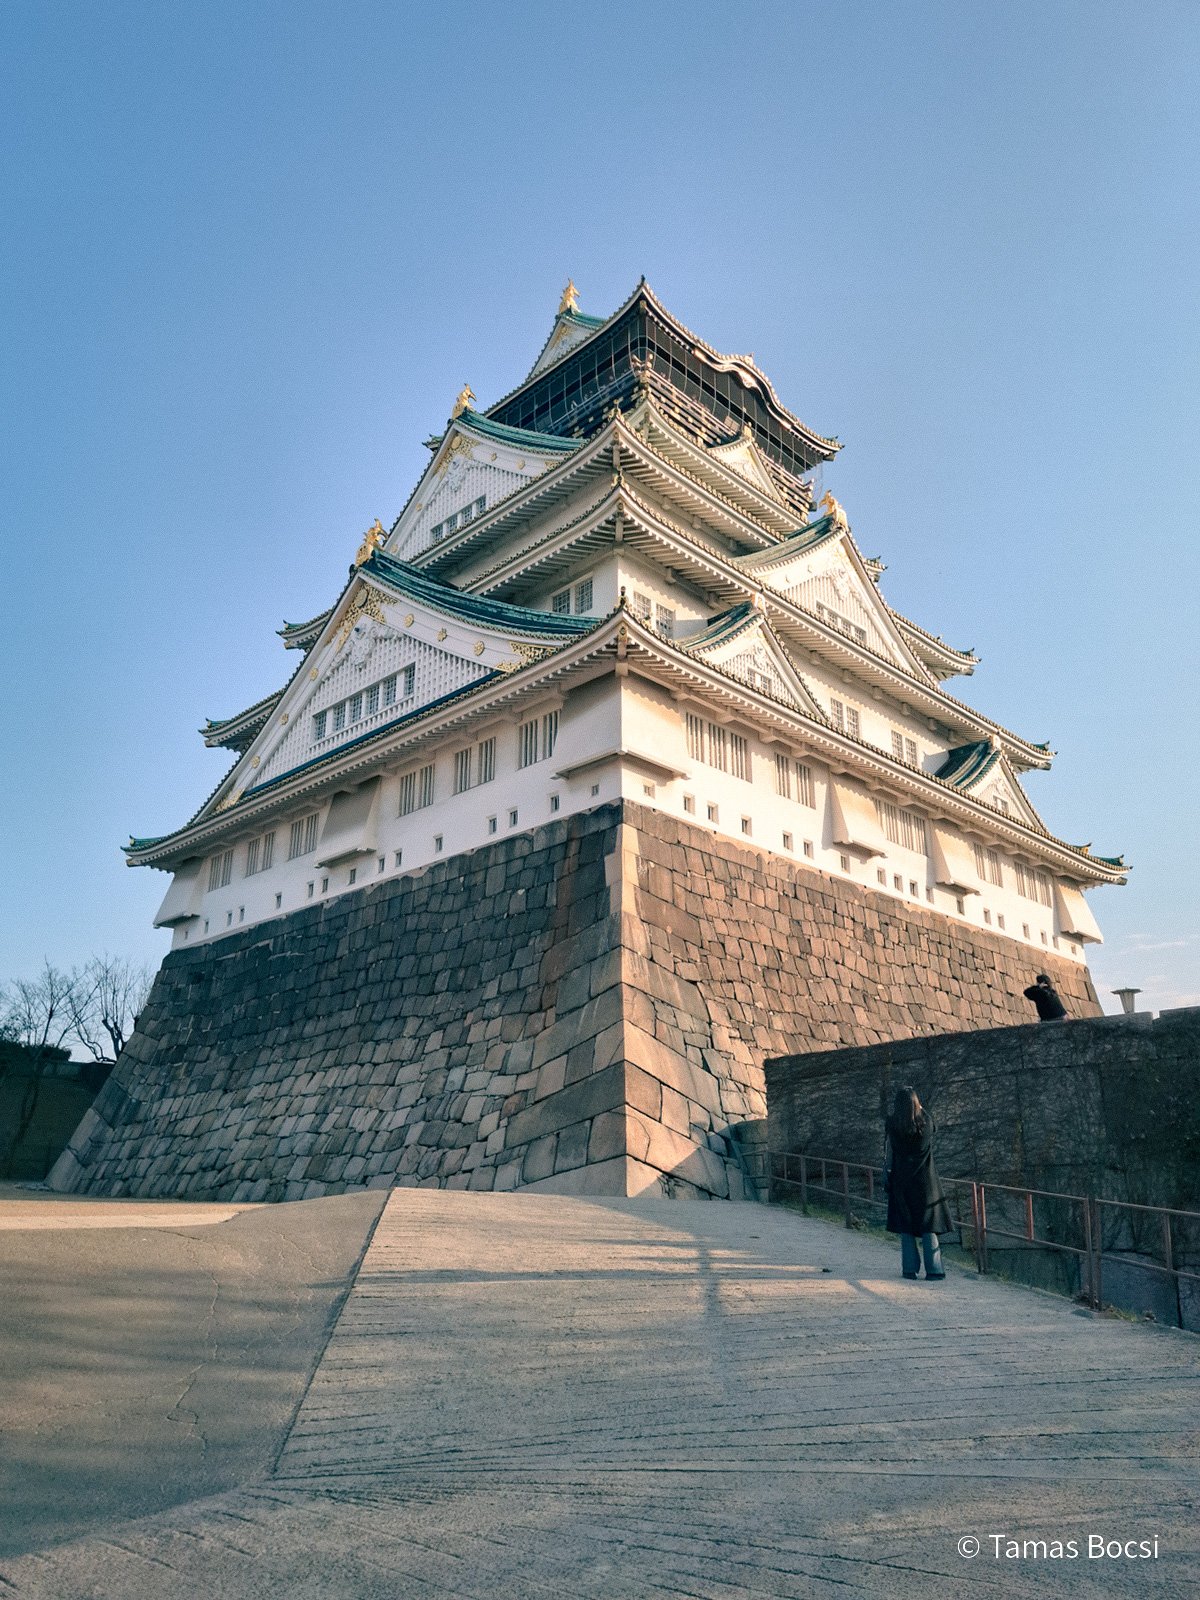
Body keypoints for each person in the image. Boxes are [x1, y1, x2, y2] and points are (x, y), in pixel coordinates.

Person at [884, 1085, 954, 1280]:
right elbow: (933, 1126)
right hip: (925, 1182)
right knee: (928, 1225)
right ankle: (934, 1270)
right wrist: (920, 1108)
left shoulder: (893, 1126)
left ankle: (909, 1269)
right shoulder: (926, 1125)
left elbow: (889, 1151)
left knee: (906, 1226)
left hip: (901, 1181)